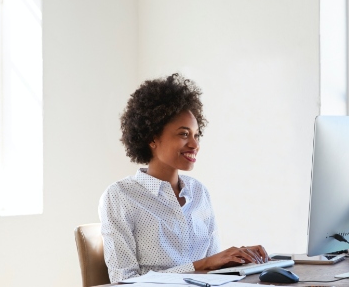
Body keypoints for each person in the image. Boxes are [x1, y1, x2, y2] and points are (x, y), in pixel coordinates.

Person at [99, 73, 269, 283]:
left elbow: (214, 269)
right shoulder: (120, 196)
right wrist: (200, 265)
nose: (195, 144)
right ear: (152, 137)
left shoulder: (199, 193)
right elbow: (123, 281)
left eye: (196, 135)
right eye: (183, 134)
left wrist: (237, 261)